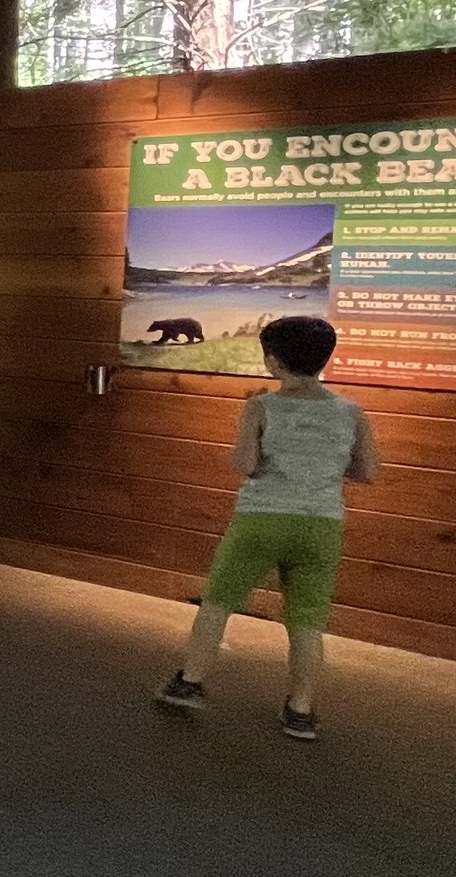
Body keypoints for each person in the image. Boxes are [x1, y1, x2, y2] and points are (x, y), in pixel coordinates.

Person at [155, 314, 381, 740]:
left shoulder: (262, 405)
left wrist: (258, 436)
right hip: (321, 524)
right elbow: (368, 470)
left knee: (218, 602)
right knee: (307, 621)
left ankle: (190, 683)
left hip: (261, 518)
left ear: (273, 362)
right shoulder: (352, 412)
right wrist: (326, 467)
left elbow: (245, 464)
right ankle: (300, 711)